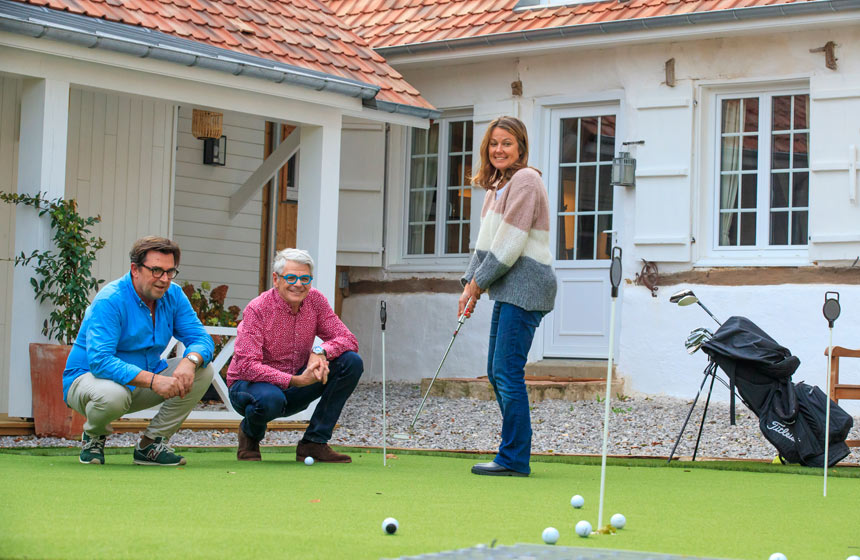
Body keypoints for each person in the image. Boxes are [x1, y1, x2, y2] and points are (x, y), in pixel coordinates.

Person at [460, 116, 557, 477]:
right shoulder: (496, 188)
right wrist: (468, 284)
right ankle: (514, 451)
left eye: (507, 143)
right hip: (508, 287)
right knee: (495, 370)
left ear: (521, 148)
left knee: (506, 370)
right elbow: (485, 246)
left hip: (528, 286)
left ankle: (514, 458)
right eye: (494, 143)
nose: (499, 149)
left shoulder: (527, 180)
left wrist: (478, 286)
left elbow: (511, 244)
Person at [64, 236, 215, 466]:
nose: (164, 279)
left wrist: (190, 360)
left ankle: (151, 445)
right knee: (112, 395)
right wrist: (154, 381)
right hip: (88, 381)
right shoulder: (111, 299)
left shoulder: (173, 295)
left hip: (141, 381)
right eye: (156, 270)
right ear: (135, 269)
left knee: (204, 370)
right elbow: (100, 361)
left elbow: (200, 338)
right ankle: (94, 436)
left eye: (170, 271)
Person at [227, 248, 363, 463]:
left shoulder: (316, 301)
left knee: (351, 362)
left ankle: (314, 443)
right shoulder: (258, 309)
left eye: (305, 278)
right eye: (291, 277)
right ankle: (250, 435)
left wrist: (320, 351)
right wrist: (294, 380)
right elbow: (247, 366)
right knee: (271, 398)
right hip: (250, 387)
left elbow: (348, 339)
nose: (298, 284)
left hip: (298, 385)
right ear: (276, 279)